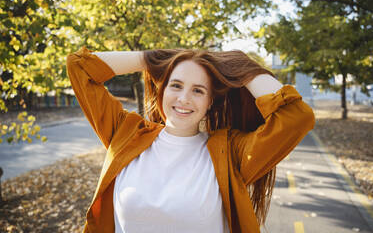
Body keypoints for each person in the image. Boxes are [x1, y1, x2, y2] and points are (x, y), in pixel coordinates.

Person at [66, 46, 315, 233]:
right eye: (176, 85)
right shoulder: (125, 133)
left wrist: (243, 69)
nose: (184, 98)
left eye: (198, 90)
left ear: (210, 103)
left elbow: (296, 117)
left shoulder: (230, 152)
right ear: (162, 92)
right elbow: (79, 66)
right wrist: (151, 58)